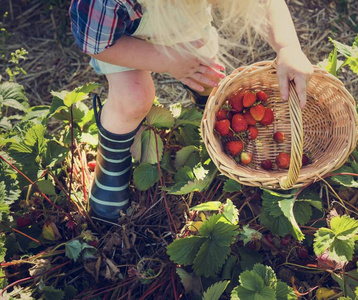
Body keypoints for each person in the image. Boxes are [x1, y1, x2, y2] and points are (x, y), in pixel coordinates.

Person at [69, 0, 314, 221]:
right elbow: (96, 44)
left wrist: (287, 47)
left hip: (183, 27)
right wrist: (167, 62)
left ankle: (209, 121)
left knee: (210, 80)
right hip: (119, 40)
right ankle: (111, 162)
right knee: (134, 97)